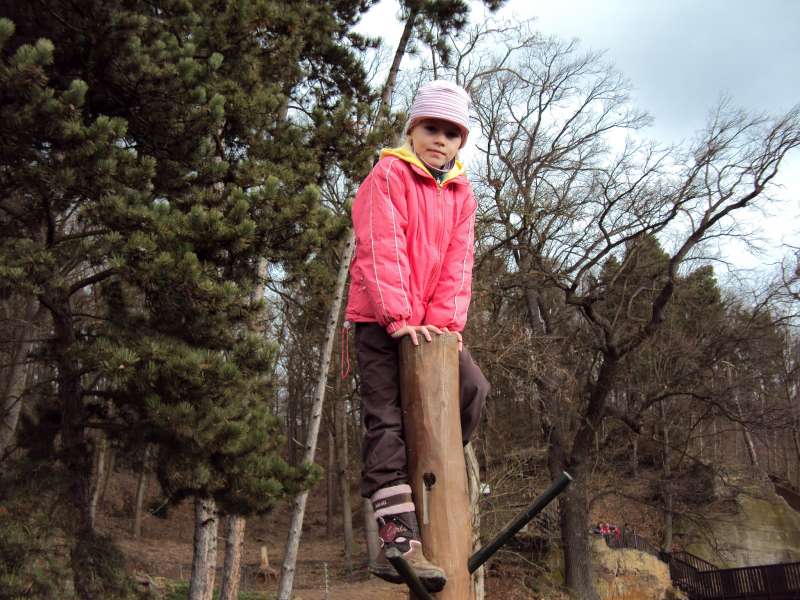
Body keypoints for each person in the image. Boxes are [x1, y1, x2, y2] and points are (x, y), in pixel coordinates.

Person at [344, 79, 490, 590]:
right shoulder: (388, 175)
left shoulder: (462, 194)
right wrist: (399, 317)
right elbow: (381, 247)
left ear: (460, 142)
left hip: (432, 328)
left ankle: (435, 471)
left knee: (473, 388)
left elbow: (458, 265)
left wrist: (446, 327)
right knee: (386, 423)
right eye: (431, 129)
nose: (440, 140)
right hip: (379, 320)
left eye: (452, 133)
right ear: (412, 130)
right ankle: (397, 539)